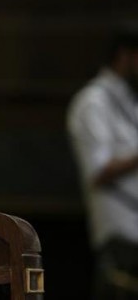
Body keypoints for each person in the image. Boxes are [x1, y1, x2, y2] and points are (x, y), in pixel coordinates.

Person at [67, 25, 138, 299]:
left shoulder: (129, 101)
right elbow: (97, 171)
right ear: (125, 55)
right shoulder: (92, 103)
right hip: (121, 238)